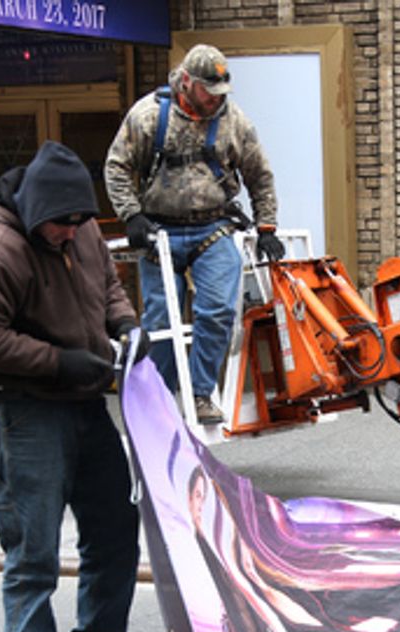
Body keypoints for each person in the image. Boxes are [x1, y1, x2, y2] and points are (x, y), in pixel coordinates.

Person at [0, 140, 156, 632]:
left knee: (116, 529)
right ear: (38, 213)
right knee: (33, 548)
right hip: (24, 411)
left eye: (79, 223)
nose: (71, 234)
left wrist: (124, 323)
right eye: (60, 227)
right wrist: (57, 361)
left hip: (85, 406)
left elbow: (107, 285)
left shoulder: (81, 228)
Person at [105, 44, 284, 425]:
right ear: (187, 81)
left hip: (213, 226)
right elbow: (116, 167)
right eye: (208, 92)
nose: (215, 100)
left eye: (221, 92)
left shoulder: (234, 121)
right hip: (159, 230)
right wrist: (132, 216)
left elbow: (260, 176)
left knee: (218, 309)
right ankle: (161, 399)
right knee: (161, 320)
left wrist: (266, 226)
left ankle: (201, 393)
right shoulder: (149, 116)